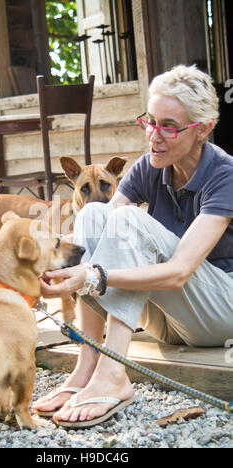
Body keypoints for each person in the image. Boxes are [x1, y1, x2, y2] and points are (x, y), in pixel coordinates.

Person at [32, 64, 233, 428]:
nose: (153, 136)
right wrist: (59, 272)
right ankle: (89, 362)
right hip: (168, 322)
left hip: (221, 314)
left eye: (168, 126)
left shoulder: (225, 175)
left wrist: (92, 276)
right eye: (150, 121)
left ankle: (113, 373)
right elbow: (102, 233)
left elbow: (178, 272)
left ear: (202, 129)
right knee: (94, 213)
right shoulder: (149, 167)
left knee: (128, 220)